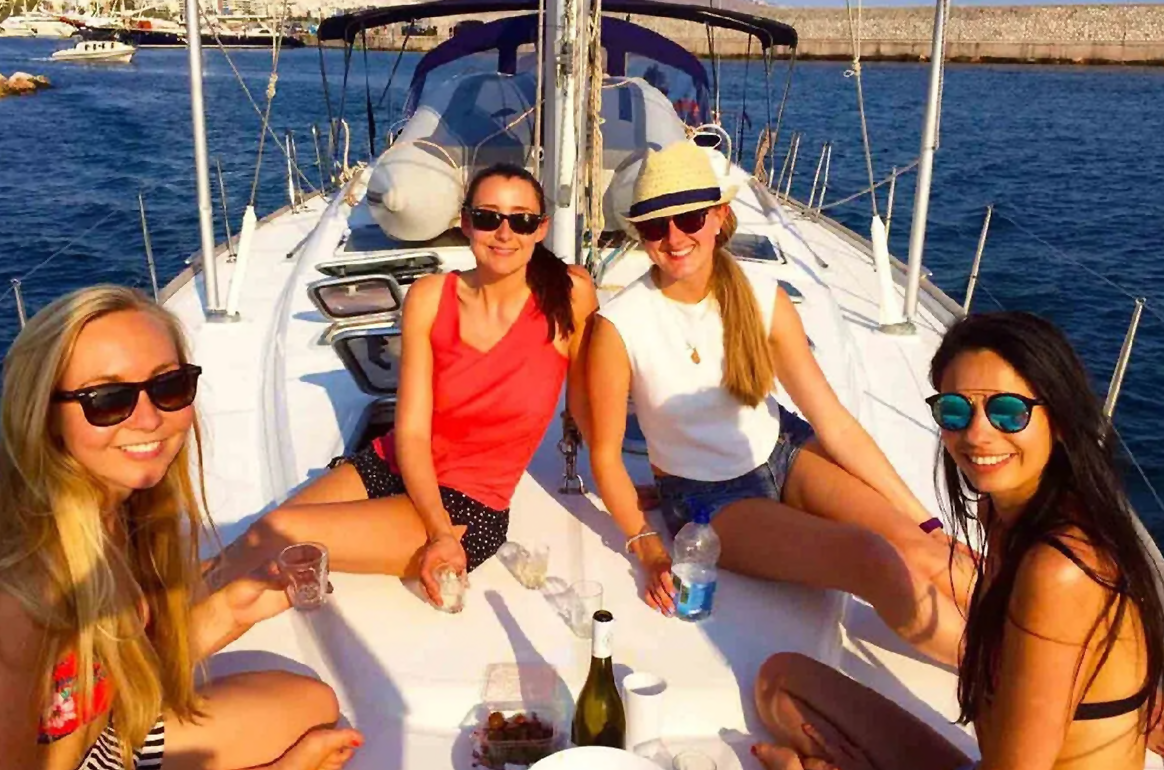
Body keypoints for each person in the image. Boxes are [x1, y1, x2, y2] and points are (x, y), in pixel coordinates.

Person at [588, 140, 972, 665]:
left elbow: (832, 421)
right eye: (656, 226)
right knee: (871, 559)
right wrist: (648, 547)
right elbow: (606, 454)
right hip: (710, 501)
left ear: (719, 217)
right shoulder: (620, 326)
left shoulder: (762, 295)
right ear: (641, 234)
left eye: (690, 217)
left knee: (933, 553)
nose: (674, 238)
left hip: (785, 452)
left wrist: (925, 523)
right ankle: (1009, 686)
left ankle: (1057, 649)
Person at [752, 311, 1164, 770]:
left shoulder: (1060, 568)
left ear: (1061, 419)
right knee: (780, 682)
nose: (976, 433)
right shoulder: (1004, 515)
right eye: (956, 410)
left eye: (1008, 411)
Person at [0, 286, 361, 770]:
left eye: (168, 387)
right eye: (108, 399)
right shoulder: (23, 598)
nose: (149, 419)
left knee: (316, 706)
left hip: (110, 737)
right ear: (43, 415)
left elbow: (117, 670)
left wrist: (231, 610)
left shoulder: (120, 508)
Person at [210, 163, 598, 606]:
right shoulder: (431, 296)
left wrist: (637, 501)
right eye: (489, 217)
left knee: (280, 535)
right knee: (264, 531)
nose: (504, 233)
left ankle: (159, 632)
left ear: (540, 228)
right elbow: (411, 432)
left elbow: (591, 402)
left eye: (522, 220)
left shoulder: (570, 297)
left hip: (468, 505)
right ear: (467, 222)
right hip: (392, 463)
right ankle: (153, 614)